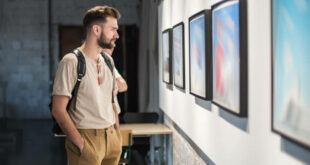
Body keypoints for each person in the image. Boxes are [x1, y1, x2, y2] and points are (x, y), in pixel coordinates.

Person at [51, 6, 122, 165]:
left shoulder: (108, 61)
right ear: (96, 29)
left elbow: (111, 102)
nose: (116, 35)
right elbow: (58, 109)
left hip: (111, 138)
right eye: (113, 30)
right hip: (86, 138)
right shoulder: (71, 61)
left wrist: (116, 136)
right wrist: (81, 144)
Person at [102, 48, 128, 114]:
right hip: (101, 114)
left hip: (113, 114)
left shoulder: (109, 63)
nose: (114, 46)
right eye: (111, 42)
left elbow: (123, 86)